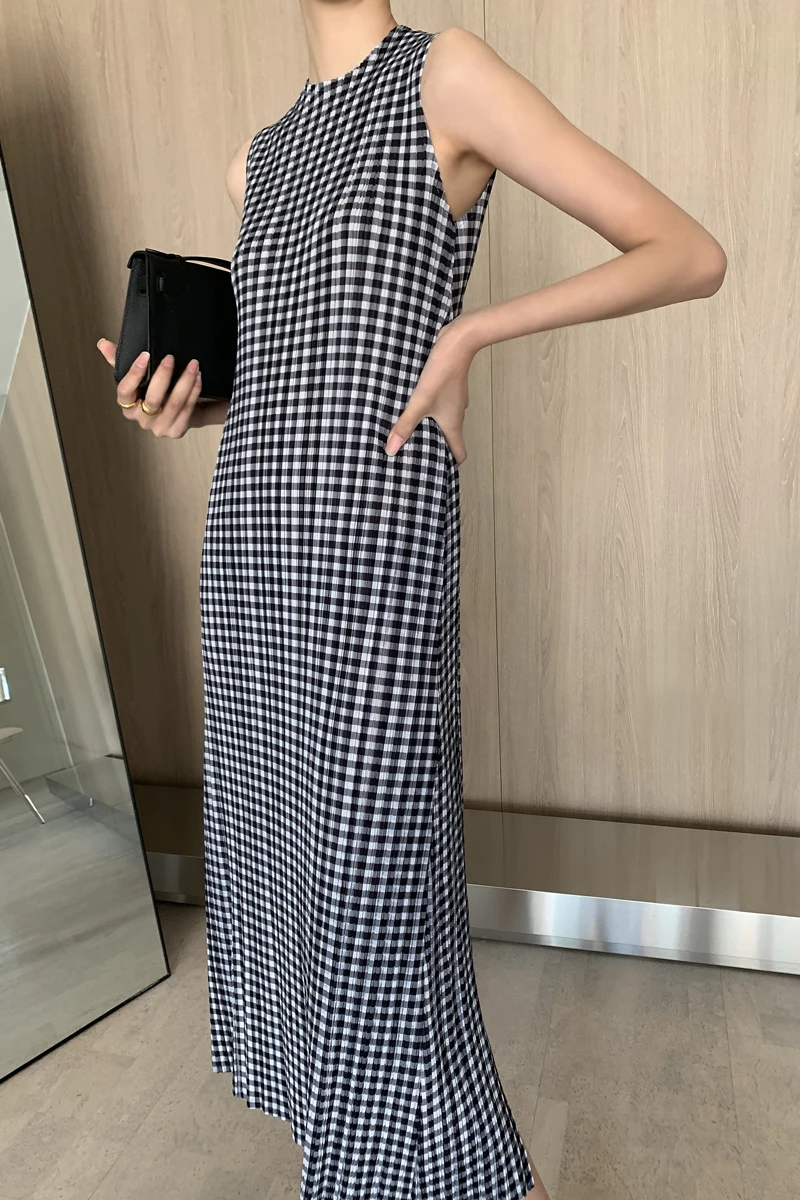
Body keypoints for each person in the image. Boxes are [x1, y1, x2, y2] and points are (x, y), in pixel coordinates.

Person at [97, 4, 726, 1198]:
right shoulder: (258, 159)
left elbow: (684, 253)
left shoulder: (444, 76)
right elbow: (300, 373)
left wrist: (472, 332)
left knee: (378, 910)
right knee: (289, 892)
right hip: (251, 563)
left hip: (369, 554)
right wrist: (186, 401)